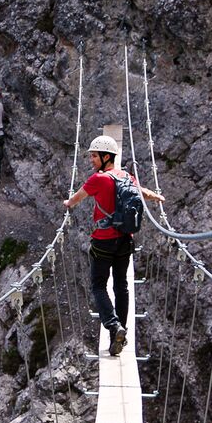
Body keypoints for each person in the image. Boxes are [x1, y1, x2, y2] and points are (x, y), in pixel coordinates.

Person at [62, 135, 167, 356]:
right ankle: (119, 336)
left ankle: (113, 326)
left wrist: (67, 203)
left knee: (99, 286)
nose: (91, 160)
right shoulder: (125, 176)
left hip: (103, 240)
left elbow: (76, 199)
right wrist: (157, 197)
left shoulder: (97, 180)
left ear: (105, 156)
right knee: (121, 286)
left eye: (93, 156)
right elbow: (142, 192)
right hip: (125, 239)